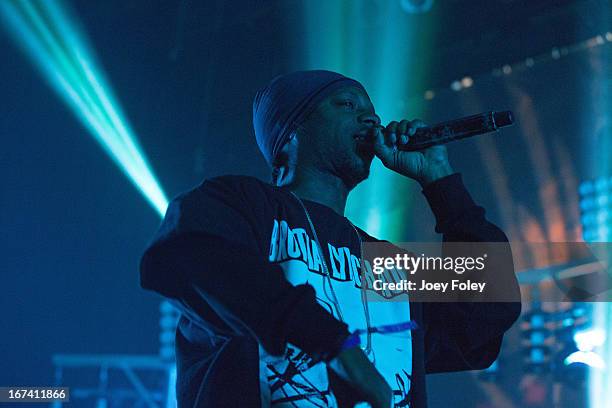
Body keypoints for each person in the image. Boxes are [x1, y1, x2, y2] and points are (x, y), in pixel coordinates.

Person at [139, 70, 521, 407]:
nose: (370, 117)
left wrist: (440, 181)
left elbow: (485, 318)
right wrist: (336, 345)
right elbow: (185, 254)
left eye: (370, 108)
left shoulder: (388, 261)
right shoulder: (243, 203)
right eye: (346, 104)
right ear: (289, 134)